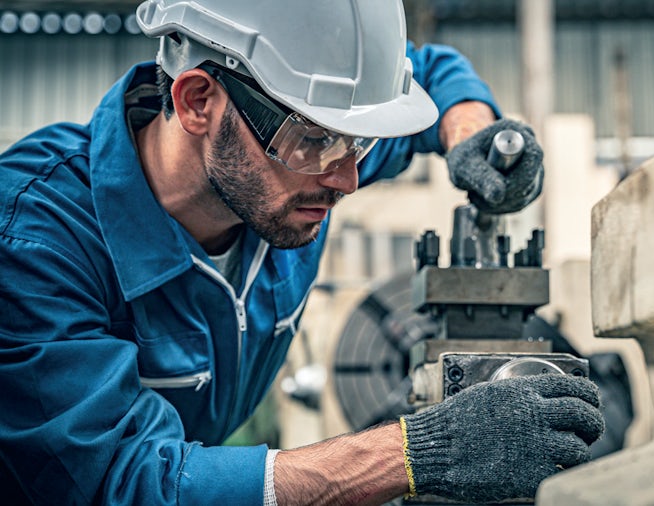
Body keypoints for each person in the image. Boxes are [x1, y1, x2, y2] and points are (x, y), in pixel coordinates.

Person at [0, 1, 604, 504]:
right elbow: (119, 480)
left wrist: (471, 131)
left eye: (361, 142)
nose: (345, 180)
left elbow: (433, 74)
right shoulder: (35, 238)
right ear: (197, 102)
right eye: (315, 139)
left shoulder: (289, 168)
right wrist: (418, 453)